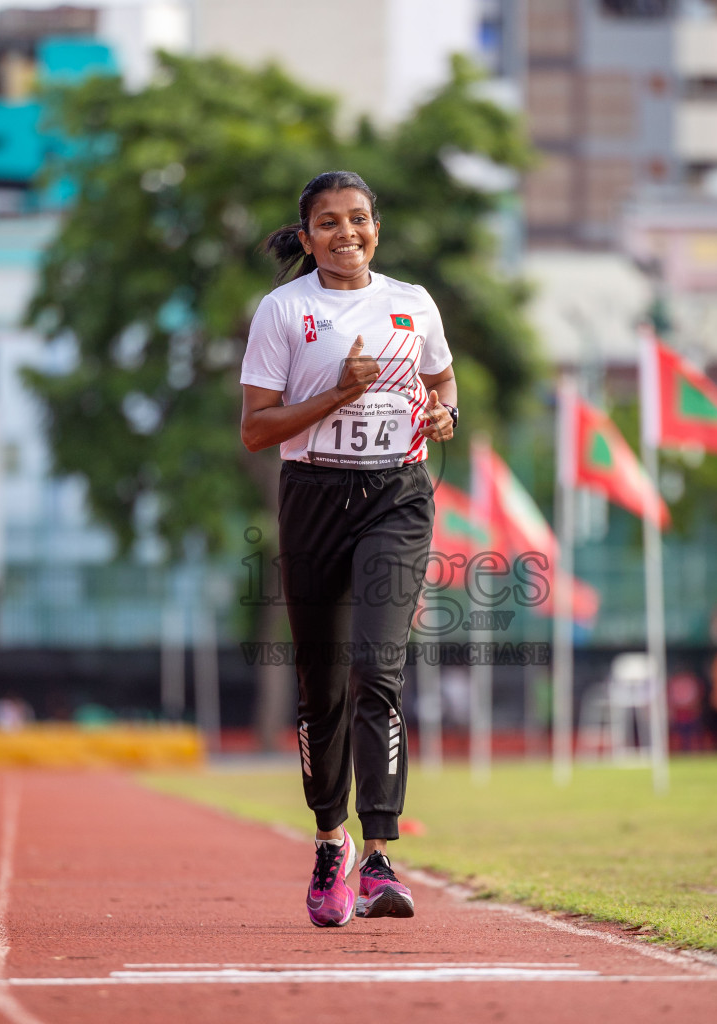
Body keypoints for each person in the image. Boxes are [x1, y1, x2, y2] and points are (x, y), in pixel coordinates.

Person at [239, 171, 456, 928]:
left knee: (378, 669)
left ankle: (381, 857)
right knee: (321, 688)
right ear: (306, 238)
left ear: (376, 227)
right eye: (327, 223)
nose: (345, 233)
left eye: (358, 219)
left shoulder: (413, 303)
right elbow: (257, 430)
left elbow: (442, 378)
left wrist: (444, 406)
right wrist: (338, 391)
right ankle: (330, 842)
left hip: (397, 496)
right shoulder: (284, 311)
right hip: (313, 499)